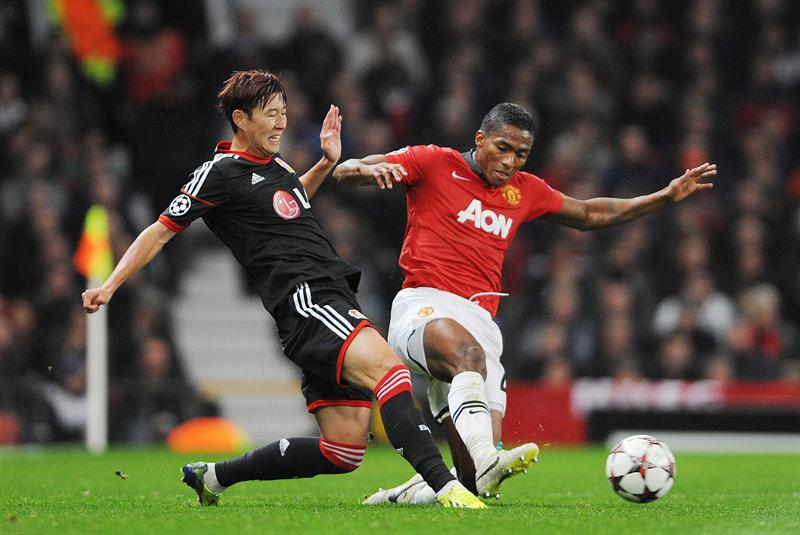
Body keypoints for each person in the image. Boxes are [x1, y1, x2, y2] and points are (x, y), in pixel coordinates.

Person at [81, 70, 485, 509]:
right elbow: (160, 231)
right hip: (306, 297)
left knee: (344, 450)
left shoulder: (277, 166)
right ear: (240, 118)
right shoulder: (219, 172)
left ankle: (214, 476)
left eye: (284, 112)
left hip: (327, 295)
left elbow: (290, 205)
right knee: (391, 373)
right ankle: (449, 488)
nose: (281, 123)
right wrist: (110, 284)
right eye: (270, 114)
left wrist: (325, 163)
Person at [333, 102, 716, 504]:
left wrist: (663, 197)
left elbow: (589, 213)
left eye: (521, 154)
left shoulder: (526, 190)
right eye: (503, 148)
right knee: (467, 358)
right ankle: (489, 458)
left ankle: (407, 494)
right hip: (424, 305)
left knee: (472, 483)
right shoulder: (433, 162)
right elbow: (347, 171)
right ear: (480, 139)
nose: (510, 162)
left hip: (481, 321)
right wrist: (367, 172)